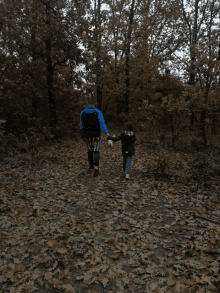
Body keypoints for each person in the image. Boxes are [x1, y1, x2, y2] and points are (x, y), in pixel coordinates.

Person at [80, 101, 109, 177]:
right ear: (93, 105)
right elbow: (102, 122)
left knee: (90, 150)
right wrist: (106, 132)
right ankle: (96, 165)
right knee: (96, 150)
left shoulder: (83, 112)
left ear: (87, 104)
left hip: (87, 135)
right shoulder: (97, 111)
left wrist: (82, 135)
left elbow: (81, 125)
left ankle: (91, 167)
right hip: (96, 134)